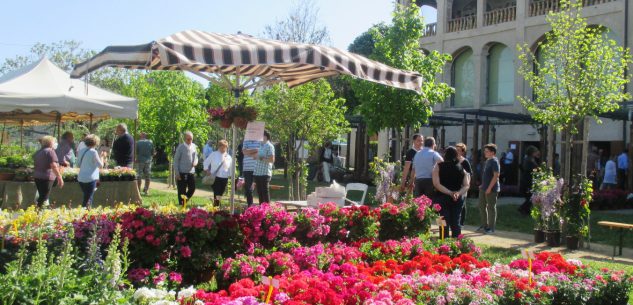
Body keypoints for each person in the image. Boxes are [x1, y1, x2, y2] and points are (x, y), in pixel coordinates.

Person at [432, 146, 470, 238]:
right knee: (456, 221)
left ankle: (442, 240)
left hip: (441, 197)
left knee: (441, 219)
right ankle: (457, 242)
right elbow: (466, 185)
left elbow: (436, 184)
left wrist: (449, 192)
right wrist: (458, 193)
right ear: (456, 155)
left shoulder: (438, 166)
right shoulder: (461, 167)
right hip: (457, 198)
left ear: (445, 155)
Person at [33, 136, 64, 208]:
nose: (56, 144)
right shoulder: (50, 151)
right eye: (54, 142)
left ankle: (41, 210)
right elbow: (53, 165)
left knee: (42, 195)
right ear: (50, 143)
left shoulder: (39, 151)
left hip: (38, 176)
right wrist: (59, 177)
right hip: (47, 177)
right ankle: (36, 211)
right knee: (44, 196)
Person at [478, 143, 501, 234]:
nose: (485, 152)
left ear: (492, 152)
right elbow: (486, 175)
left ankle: (491, 228)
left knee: (491, 208)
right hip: (483, 188)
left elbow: (496, 176)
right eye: (485, 151)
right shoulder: (487, 161)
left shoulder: (494, 161)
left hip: (492, 189)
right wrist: (482, 185)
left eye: (487, 151)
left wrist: (489, 188)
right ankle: (484, 225)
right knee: (481, 206)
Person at [77, 134, 103, 208]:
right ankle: (85, 215)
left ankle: (85, 213)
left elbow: (78, 164)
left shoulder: (81, 151)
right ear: (96, 142)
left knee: (87, 197)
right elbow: (100, 165)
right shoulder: (93, 152)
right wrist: (102, 157)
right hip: (90, 179)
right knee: (88, 199)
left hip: (81, 178)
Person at [204, 139, 233, 206]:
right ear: (219, 146)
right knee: (217, 193)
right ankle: (216, 207)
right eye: (222, 146)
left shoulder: (229, 157)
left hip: (224, 178)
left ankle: (216, 207)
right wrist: (207, 170)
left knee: (220, 194)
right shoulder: (214, 154)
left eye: (225, 147)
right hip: (215, 178)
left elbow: (231, 167)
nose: (224, 148)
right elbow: (206, 162)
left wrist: (231, 177)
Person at [174, 131, 199, 205]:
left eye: (191, 139)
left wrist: (195, 162)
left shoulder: (194, 146)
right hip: (181, 172)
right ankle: (182, 204)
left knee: (192, 188)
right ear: (185, 139)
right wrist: (177, 173)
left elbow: (196, 157)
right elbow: (175, 161)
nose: (190, 141)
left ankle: (184, 200)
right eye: (188, 139)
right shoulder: (180, 147)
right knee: (181, 190)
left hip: (191, 172)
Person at [253, 130, 275, 204]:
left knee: (265, 192)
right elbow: (255, 156)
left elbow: (272, 160)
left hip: (265, 172)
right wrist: (255, 156)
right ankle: (261, 210)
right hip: (257, 172)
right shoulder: (259, 145)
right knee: (259, 192)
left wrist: (261, 158)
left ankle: (267, 210)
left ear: (266, 136)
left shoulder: (270, 146)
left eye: (261, 135)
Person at [518, 146, 540, 215]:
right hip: (527, 181)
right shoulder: (529, 160)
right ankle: (522, 208)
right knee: (531, 197)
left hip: (527, 180)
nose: (537, 153)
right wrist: (538, 170)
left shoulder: (529, 159)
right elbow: (533, 169)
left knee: (530, 197)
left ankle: (526, 210)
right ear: (532, 152)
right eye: (536, 151)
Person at [455, 143, 472, 227]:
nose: (457, 151)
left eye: (459, 150)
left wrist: (467, 185)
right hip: (454, 184)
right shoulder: (453, 160)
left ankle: (461, 222)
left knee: (462, 203)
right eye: (456, 149)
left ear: (462, 152)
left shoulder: (465, 161)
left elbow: (470, 174)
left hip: (463, 185)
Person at [241, 139, 261, 206]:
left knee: (260, 189)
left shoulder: (260, 141)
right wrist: (256, 150)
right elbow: (244, 152)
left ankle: (262, 207)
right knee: (248, 189)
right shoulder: (246, 141)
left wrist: (249, 151)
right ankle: (250, 206)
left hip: (258, 168)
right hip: (247, 168)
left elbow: (260, 152)